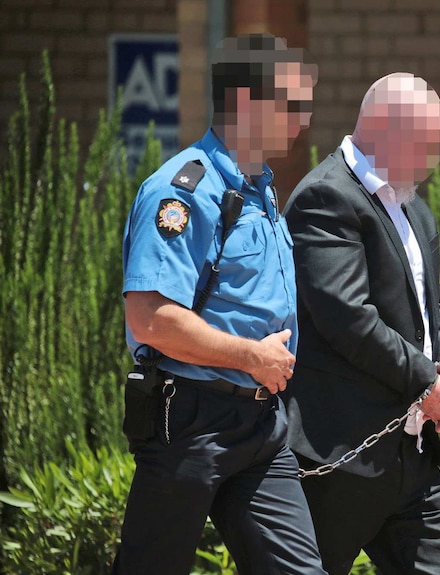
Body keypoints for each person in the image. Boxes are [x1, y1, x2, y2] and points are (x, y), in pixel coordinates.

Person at [113, 34, 325, 575]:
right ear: (250, 105)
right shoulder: (183, 191)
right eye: (293, 105)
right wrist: (251, 357)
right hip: (189, 420)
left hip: (260, 422)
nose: (303, 120)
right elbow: (151, 319)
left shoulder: (260, 190)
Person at [283, 72, 440, 574]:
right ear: (384, 128)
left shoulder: (413, 208)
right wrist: (425, 378)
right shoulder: (325, 198)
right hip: (340, 456)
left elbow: (435, 307)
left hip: (411, 453)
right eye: (426, 144)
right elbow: (348, 318)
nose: (433, 160)